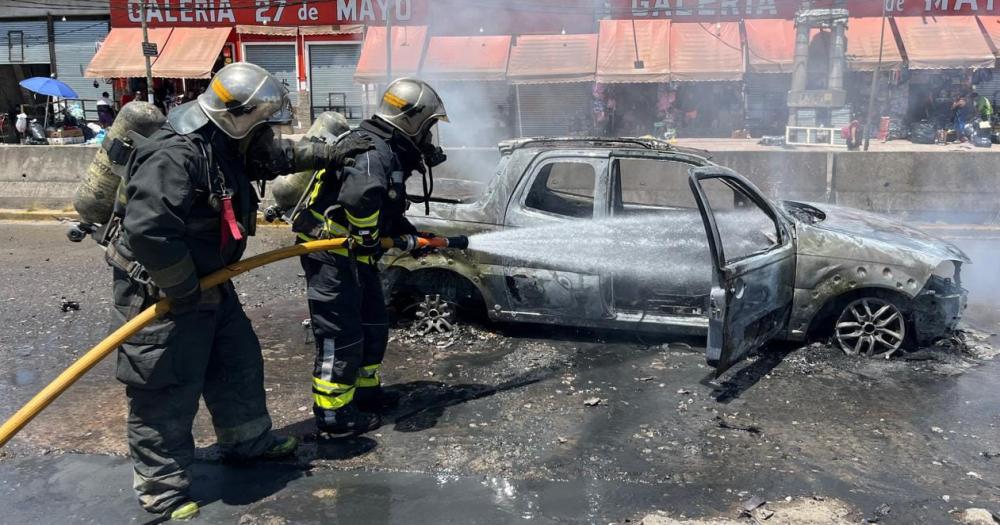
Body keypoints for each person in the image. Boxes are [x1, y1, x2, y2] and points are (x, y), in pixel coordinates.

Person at [106, 63, 311, 521]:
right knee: (164, 386)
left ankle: (246, 442)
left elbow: (273, 161)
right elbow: (150, 232)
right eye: (264, 124)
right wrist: (182, 288)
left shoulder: (225, 143)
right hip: (163, 287)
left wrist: (332, 152)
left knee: (236, 361)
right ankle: (162, 491)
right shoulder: (175, 155)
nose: (268, 136)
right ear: (241, 119)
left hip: (209, 281)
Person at [293, 78, 449, 434]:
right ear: (411, 121)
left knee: (373, 324)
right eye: (428, 128)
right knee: (341, 333)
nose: (429, 138)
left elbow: (384, 203)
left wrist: (407, 233)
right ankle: (334, 416)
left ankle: (365, 394)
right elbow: (361, 197)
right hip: (331, 255)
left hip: (354, 257)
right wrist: (366, 235)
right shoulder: (372, 150)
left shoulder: (387, 148)